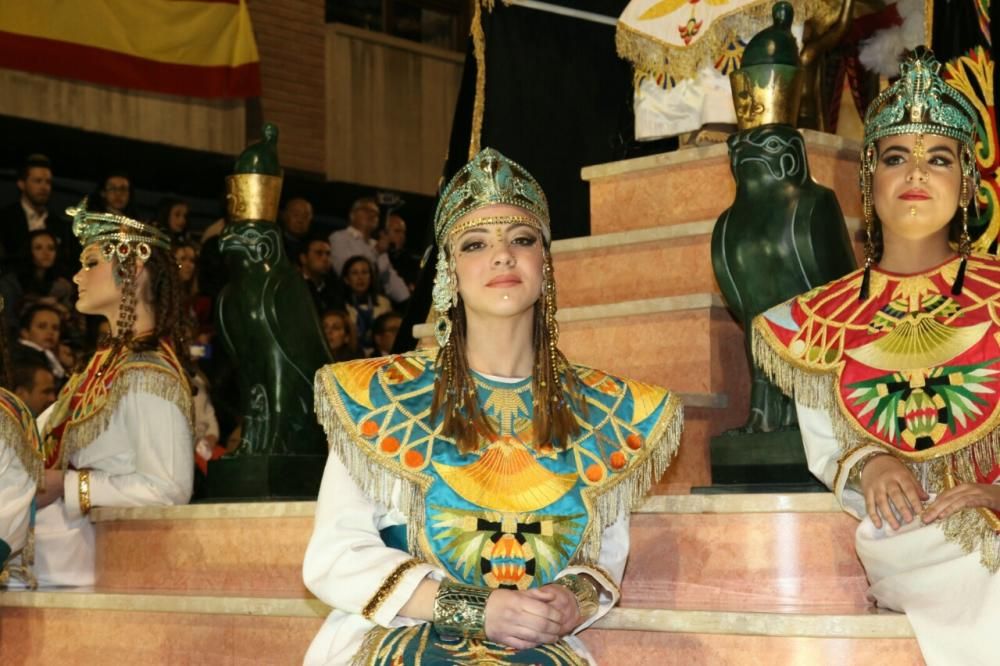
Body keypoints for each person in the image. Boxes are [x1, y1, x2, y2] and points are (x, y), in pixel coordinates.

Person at [303, 148, 683, 665]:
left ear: (544, 265)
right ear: (447, 272)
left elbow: (602, 555)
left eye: (522, 239)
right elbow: (335, 556)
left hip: (539, 648)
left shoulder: (604, 409)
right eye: (476, 243)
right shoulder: (377, 396)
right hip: (405, 636)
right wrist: (472, 608)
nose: (503, 255)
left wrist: (572, 602)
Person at [753, 51, 998, 666]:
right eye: (896, 156)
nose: (917, 171)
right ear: (869, 178)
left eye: (939, 158)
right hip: (913, 533)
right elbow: (827, 444)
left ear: (967, 181)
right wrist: (869, 464)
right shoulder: (814, 320)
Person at [32, 200, 195, 587]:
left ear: (132, 268)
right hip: (54, 558)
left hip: (82, 568)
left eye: (90, 264)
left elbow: (169, 487)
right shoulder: (104, 364)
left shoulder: (146, 371)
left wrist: (67, 485)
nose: (76, 277)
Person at [0, 154, 78, 272]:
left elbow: (66, 261)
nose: (44, 187)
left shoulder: (58, 223)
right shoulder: (5, 218)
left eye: (48, 182)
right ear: (21, 183)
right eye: (38, 181)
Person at [329, 197, 410, 305]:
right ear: (352, 215)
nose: (372, 215)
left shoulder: (376, 244)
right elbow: (343, 268)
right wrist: (376, 251)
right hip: (346, 302)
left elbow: (390, 280)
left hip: (373, 303)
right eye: (366, 210)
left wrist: (409, 301)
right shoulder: (339, 237)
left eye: (376, 213)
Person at [340, 255, 392, 352]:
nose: (360, 278)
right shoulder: (340, 305)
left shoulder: (383, 303)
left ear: (371, 277)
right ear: (346, 279)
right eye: (355, 273)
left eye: (365, 272)